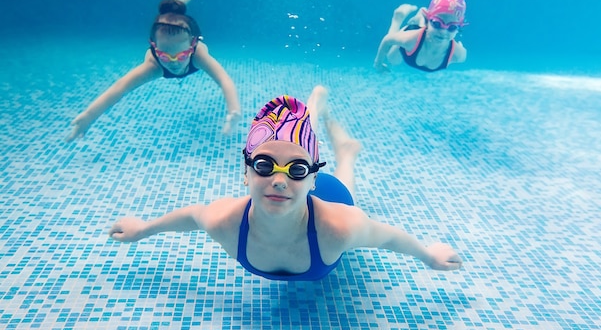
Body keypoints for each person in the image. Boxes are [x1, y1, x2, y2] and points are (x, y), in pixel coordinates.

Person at [108, 86, 463, 281]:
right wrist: (142, 230)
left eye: (295, 168)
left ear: (311, 177)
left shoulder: (338, 227)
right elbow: (191, 216)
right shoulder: (224, 222)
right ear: (245, 173)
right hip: (305, 195)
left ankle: (346, 153)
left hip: (324, 199)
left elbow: (387, 237)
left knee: (348, 189)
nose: (278, 180)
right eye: (264, 165)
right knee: (297, 146)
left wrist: (428, 255)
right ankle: (322, 131)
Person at [66, 0, 241, 142]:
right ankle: (173, 7)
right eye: (164, 55)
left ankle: (176, 5)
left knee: (177, 23)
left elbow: (224, 80)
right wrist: (88, 117)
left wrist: (233, 110)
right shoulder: (154, 64)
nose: (173, 61)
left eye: (180, 55)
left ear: (193, 44)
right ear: (154, 47)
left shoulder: (198, 54)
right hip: (165, 47)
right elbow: (120, 88)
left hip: (185, 41)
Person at [373, 0, 468, 73]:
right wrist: (378, 64)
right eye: (437, 23)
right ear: (428, 20)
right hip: (418, 37)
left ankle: (421, 16)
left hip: (426, 29)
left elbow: (463, 55)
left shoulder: (458, 54)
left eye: (452, 27)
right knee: (392, 59)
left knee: (394, 60)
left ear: (459, 28)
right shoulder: (411, 39)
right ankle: (398, 18)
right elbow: (387, 40)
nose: (443, 31)